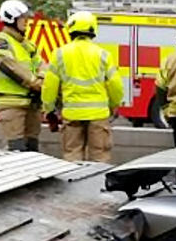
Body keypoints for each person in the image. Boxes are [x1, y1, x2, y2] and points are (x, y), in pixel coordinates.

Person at [41, 10, 123, 162]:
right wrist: (113, 105)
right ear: (93, 29)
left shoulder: (59, 54)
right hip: (98, 115)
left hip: (72, 115)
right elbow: (116, 85)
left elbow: (49, 87)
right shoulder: (103, 54)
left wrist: (49, 109)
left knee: (72, 157)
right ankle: (96, 185)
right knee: (99, 158)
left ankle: (74, 185)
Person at [0, 0, 44, 151]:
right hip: (11, 105)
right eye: (23, 18)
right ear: (11, 19)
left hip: (31, 104)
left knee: (32, 150)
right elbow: (8, 65)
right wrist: (35, 82)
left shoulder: (27, 45)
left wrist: (42, 79)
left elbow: (42, 65)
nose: (27, 22)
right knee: (16, 150)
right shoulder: (0, 43)